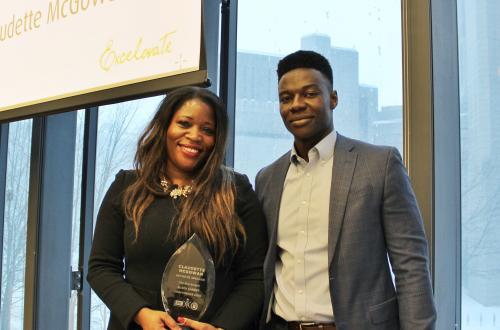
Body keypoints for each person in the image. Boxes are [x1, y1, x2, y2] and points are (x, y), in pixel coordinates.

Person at [255, 50, 437, 330]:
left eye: (310, 94)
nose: (296, 105)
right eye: (286, 98)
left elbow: (410, 266)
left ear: (333, 98)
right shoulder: (268, 178)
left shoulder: (380, 164)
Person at [88, 86, 267, 330]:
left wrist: (222, 328)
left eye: (207, 130)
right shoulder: (127, 186)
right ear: (164, 127)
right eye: (184, 123)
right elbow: (101, 268)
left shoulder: (236, 190)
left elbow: (255, 277)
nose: (195, 135)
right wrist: (141, 314)